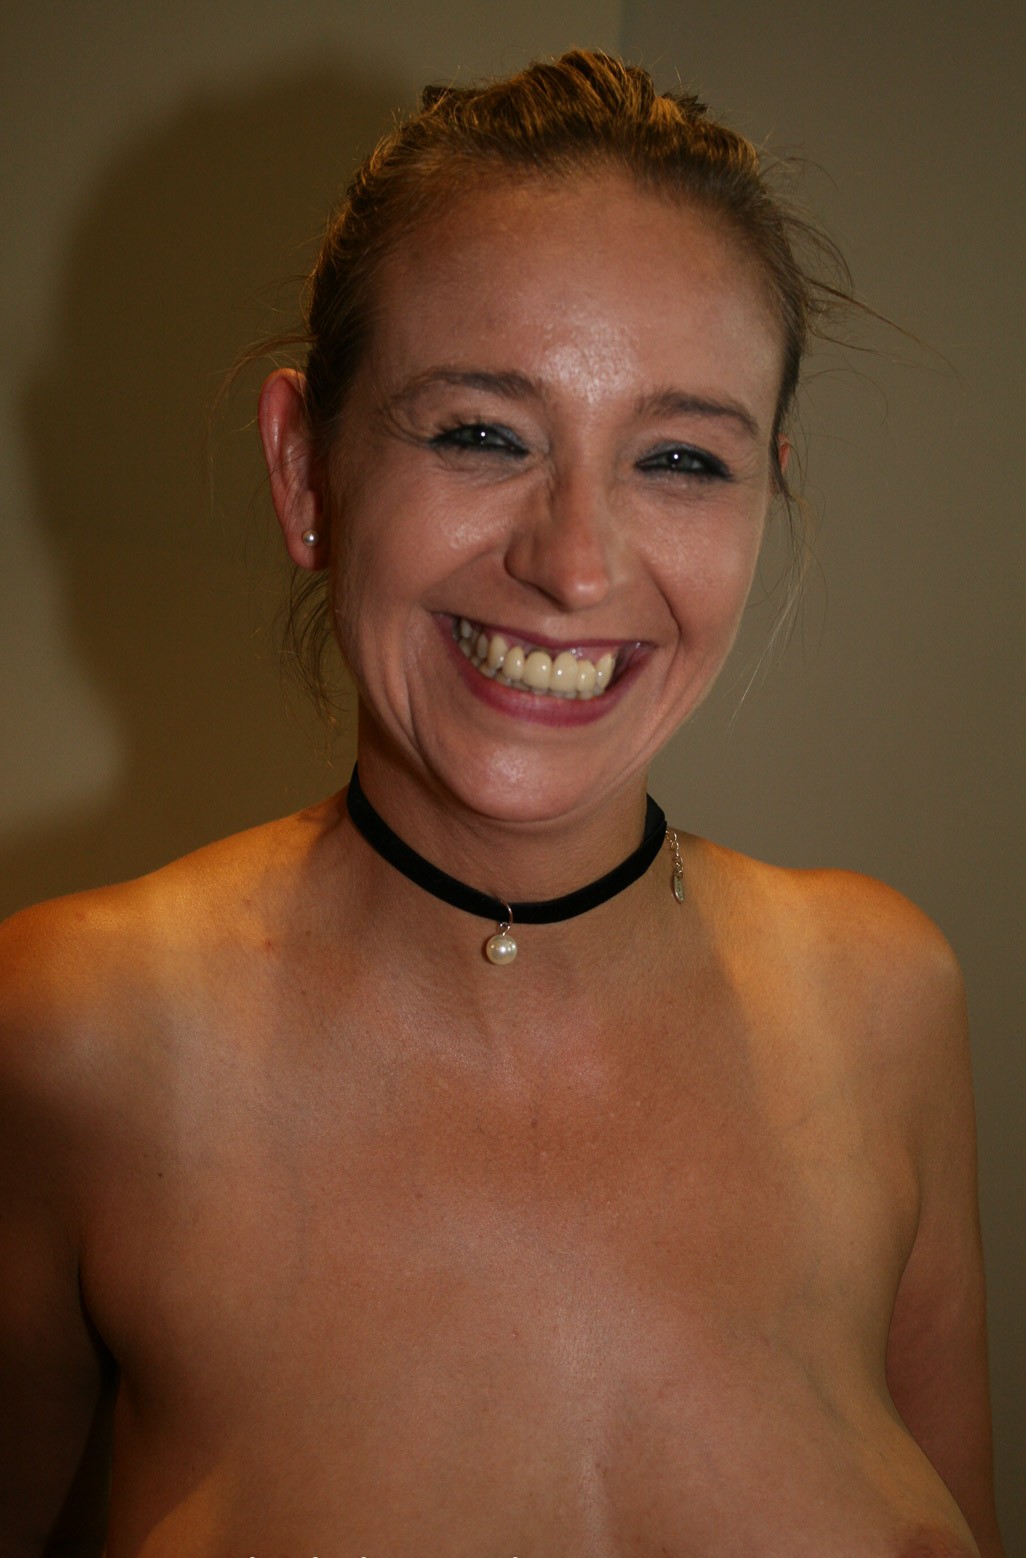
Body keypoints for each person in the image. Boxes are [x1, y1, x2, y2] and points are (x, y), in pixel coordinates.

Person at [0, 49, 1004, 1558]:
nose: (576, 564)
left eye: (681, 458)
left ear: (764, 498)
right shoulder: (73, 1038)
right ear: (305, 473)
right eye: (482, 433)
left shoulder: (887, 1005)